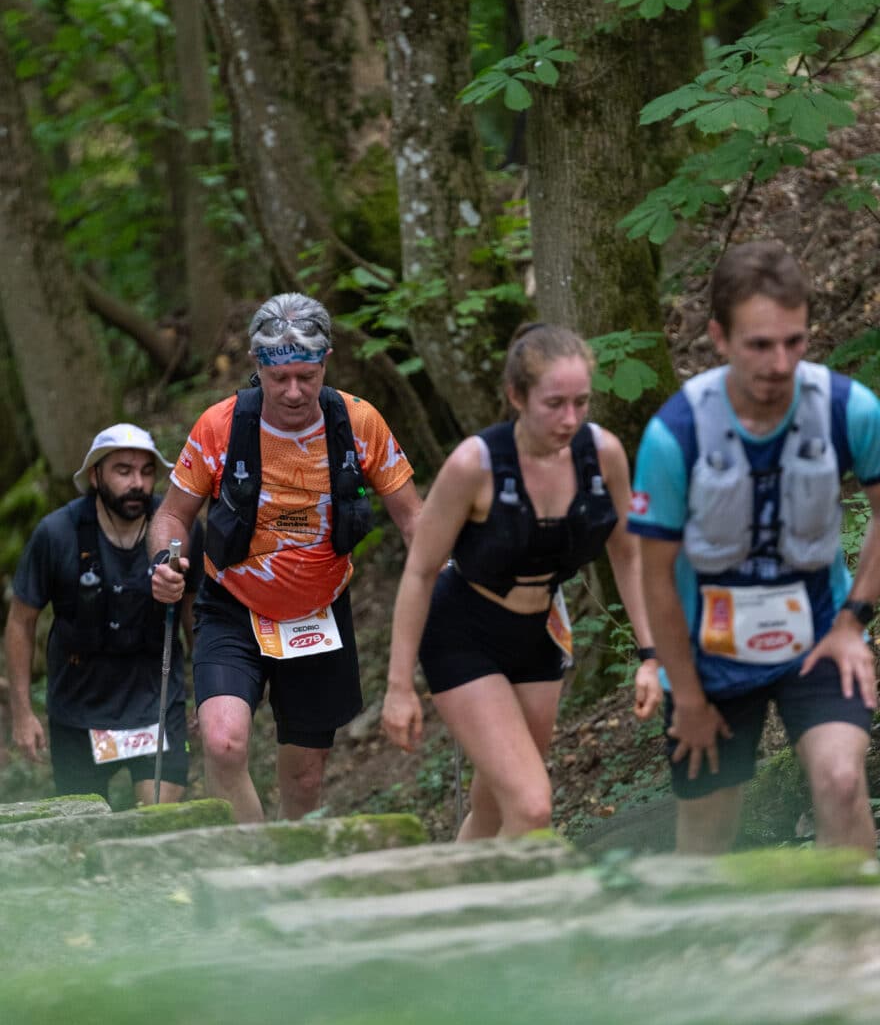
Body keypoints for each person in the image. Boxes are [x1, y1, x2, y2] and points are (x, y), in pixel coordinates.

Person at [628, 240, 880, 855]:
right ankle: (709, 948)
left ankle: (858, 947)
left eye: (794, 342)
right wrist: (684, 693)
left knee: (842, 781)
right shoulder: (674, 436)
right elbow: (653, 577)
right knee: (708, 835)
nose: (780, 362)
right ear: (719, 337)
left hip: (820, 634)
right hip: (707, 658)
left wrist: (854, 622)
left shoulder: (849, 410)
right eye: (760, 345)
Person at [148, 292, 421, 823]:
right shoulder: (220, 426)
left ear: (325, 365)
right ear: (257, 366)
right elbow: (172, 514)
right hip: (232, 606)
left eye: (306, 376)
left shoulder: (359, 423)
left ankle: (294, 872)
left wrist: (442, 572)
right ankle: (251, 871)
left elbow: (415, 519)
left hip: (319, 611)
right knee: (223, 744)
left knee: (305, 776)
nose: (294, 392)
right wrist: (165, 559)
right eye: (280, 379)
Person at [382, 322, 662, 838]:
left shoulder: (604, 455)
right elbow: (420, 572)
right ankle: (510, 914)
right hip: (463, 631)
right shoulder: (475, 465)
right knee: (532, 805)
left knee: (495, 805)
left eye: (581, 402)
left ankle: (453, 905)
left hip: (539, 634)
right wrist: (400, 688)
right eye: (554, 403)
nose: (570, 418)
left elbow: (628, 552)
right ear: (517, 396)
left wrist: (651, 655)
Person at [5, 424, 203, 804]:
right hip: (79, 706)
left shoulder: (177, 528)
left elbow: (196, 611)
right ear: (95, 476)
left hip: (155, 699)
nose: (138, 484)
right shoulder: (56, 533)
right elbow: (21, 620)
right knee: (81, 829)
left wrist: (209, 692)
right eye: (123, 471)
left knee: (156, 823)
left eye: (147, 472)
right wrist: (22, 712)